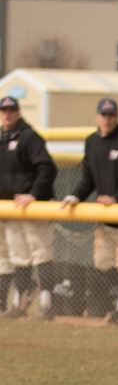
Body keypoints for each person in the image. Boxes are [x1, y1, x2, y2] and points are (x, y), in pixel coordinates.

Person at [63, 97, 118, 326]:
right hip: (105, 217)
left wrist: (117, 198)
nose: (107, 119)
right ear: (97, 117)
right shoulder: (91, 141)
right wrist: (75, 196)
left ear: (117, 117)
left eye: (111, 115)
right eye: (104, 115)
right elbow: (88, 177)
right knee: (102, 262)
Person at [0, 94, 58, 320]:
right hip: (10, 209)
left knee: (41, 254)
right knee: (19, 257)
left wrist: (33, 194)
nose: (7, 114)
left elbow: (47, 168)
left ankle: (46, 305)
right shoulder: (3, 138)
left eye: (11, 110)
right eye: (3, 110)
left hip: (33, 208)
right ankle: (19, 305)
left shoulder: (29, 136)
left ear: (19, 112)